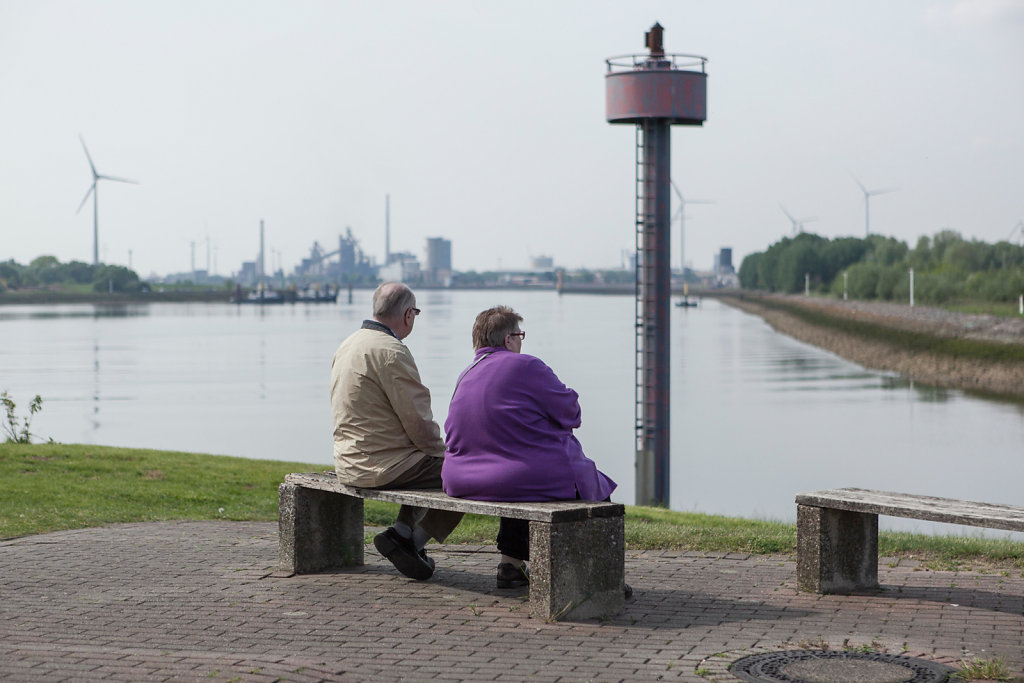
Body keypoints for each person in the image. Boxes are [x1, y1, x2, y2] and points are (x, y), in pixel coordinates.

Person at [441, 306, 618, 590]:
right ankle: (602, 580)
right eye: (520, 335)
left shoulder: (467, 373)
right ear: (509, 339)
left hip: (463, 478)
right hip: (513, 477)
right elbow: (571, 412)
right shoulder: (526, 365)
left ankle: (510, 565)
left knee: (517, 465)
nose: (521, 342)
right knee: (592, 491)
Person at [330, 281, 462, 581]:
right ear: (408, 315)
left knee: (420, 460)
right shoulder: (391, 352)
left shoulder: (348, 344)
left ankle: (402, 530)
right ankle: (412, 543)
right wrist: (448, 454)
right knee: (468, 475)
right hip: (382, 467)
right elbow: (418, 422)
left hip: (349, 462)